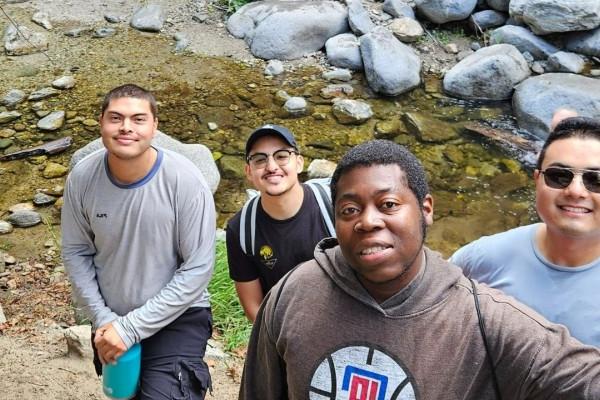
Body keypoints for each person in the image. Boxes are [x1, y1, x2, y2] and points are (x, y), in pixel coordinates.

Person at [239, 139, 600, 400]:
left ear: (426, 208)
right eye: (349, 210)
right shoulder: (293, 294)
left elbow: (580, 378)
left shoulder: (482, 321)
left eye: (389, 204)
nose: (368, 221)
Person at [61, 84, 215, 399]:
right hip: (111, 316)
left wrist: (130, 329)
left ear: (155, 126)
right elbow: (76, 252)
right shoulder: (82, 178)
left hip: (178, 315)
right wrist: (104, 319)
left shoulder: (185, 181)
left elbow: (198, 268)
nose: (126, 127)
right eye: (116, 118)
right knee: (124, 395)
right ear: (101, 123)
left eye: (138, 119)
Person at [451, 115, 600, 347]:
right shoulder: (484, 258)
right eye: (559, 176)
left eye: (596, 180)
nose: (576, 191)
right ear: (536, 180)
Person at [226, 124, 334, 322]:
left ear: (299, 163)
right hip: (286, 328)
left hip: (347, 317)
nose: (271, 167)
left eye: (282, 156)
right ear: (249, 172)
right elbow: (253, 307)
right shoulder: (240, 229)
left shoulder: (334, 205)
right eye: (260, 159)